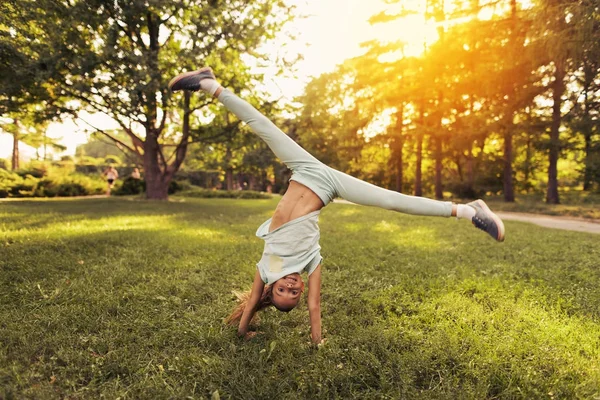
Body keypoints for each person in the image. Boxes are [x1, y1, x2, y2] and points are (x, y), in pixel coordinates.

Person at [169, 67, 505, 345]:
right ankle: (470, 210)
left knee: (263, 127)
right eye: (294, 292)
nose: (292, 286)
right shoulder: (310, 262)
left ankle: (208, 84)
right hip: (329, 186)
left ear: (272, 288)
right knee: (391, 201)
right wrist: (317, 343)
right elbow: (315, 306)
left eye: (284, 290)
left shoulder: (265, 269)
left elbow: (253, 301)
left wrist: (243, 331)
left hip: (304, 170)